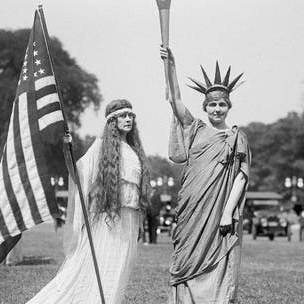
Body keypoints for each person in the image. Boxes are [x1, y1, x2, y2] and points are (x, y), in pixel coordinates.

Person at [26, 99, 150, 304]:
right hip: (109, 217)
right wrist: (67, 150)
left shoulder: (134, 150)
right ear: (112, 121)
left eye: (130, 116)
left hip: (130, 216)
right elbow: (80, 174)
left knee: (118, 269)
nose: (128, 119)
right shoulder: (100, 146)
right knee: (101, 267)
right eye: (122, 116)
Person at [160, 47, 250, 304]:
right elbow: (175, 100)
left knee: (216, 255)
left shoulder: (236, 137)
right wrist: (171, 67)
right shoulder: (195, 128)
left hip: (218, 210)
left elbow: (240, 178)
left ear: (229, 107)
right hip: (190, 208)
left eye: (222, 104)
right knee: (185, 256)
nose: (217, 109)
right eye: (212, 104)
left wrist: (226, 213)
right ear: (205, 106)